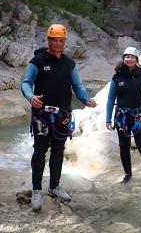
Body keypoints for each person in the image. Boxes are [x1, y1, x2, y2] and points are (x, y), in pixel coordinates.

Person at [22, 24, 97, 211]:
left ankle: (54, 186)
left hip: (62, 115)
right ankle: (37, 190)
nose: (57, 43)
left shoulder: (68, 64)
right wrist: (31, 97)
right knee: (40, 150)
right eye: (54, 39)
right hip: (42, 115)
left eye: (60, 40)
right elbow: (26, 82)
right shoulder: (37, 61)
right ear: (48, 40)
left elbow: (77, 86)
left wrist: (86, 100)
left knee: (58, 150)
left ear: (64, 42)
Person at [105, 47, 141, 185]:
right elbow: (111, 98)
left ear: (136, 60)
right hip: (121, 117)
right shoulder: (117, 77)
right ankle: (127, 174)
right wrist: (108, 118)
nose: (129, 59)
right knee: (124, 146)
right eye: (127, 56)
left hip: (138, 116)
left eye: (132, 57)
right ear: (123, 59)